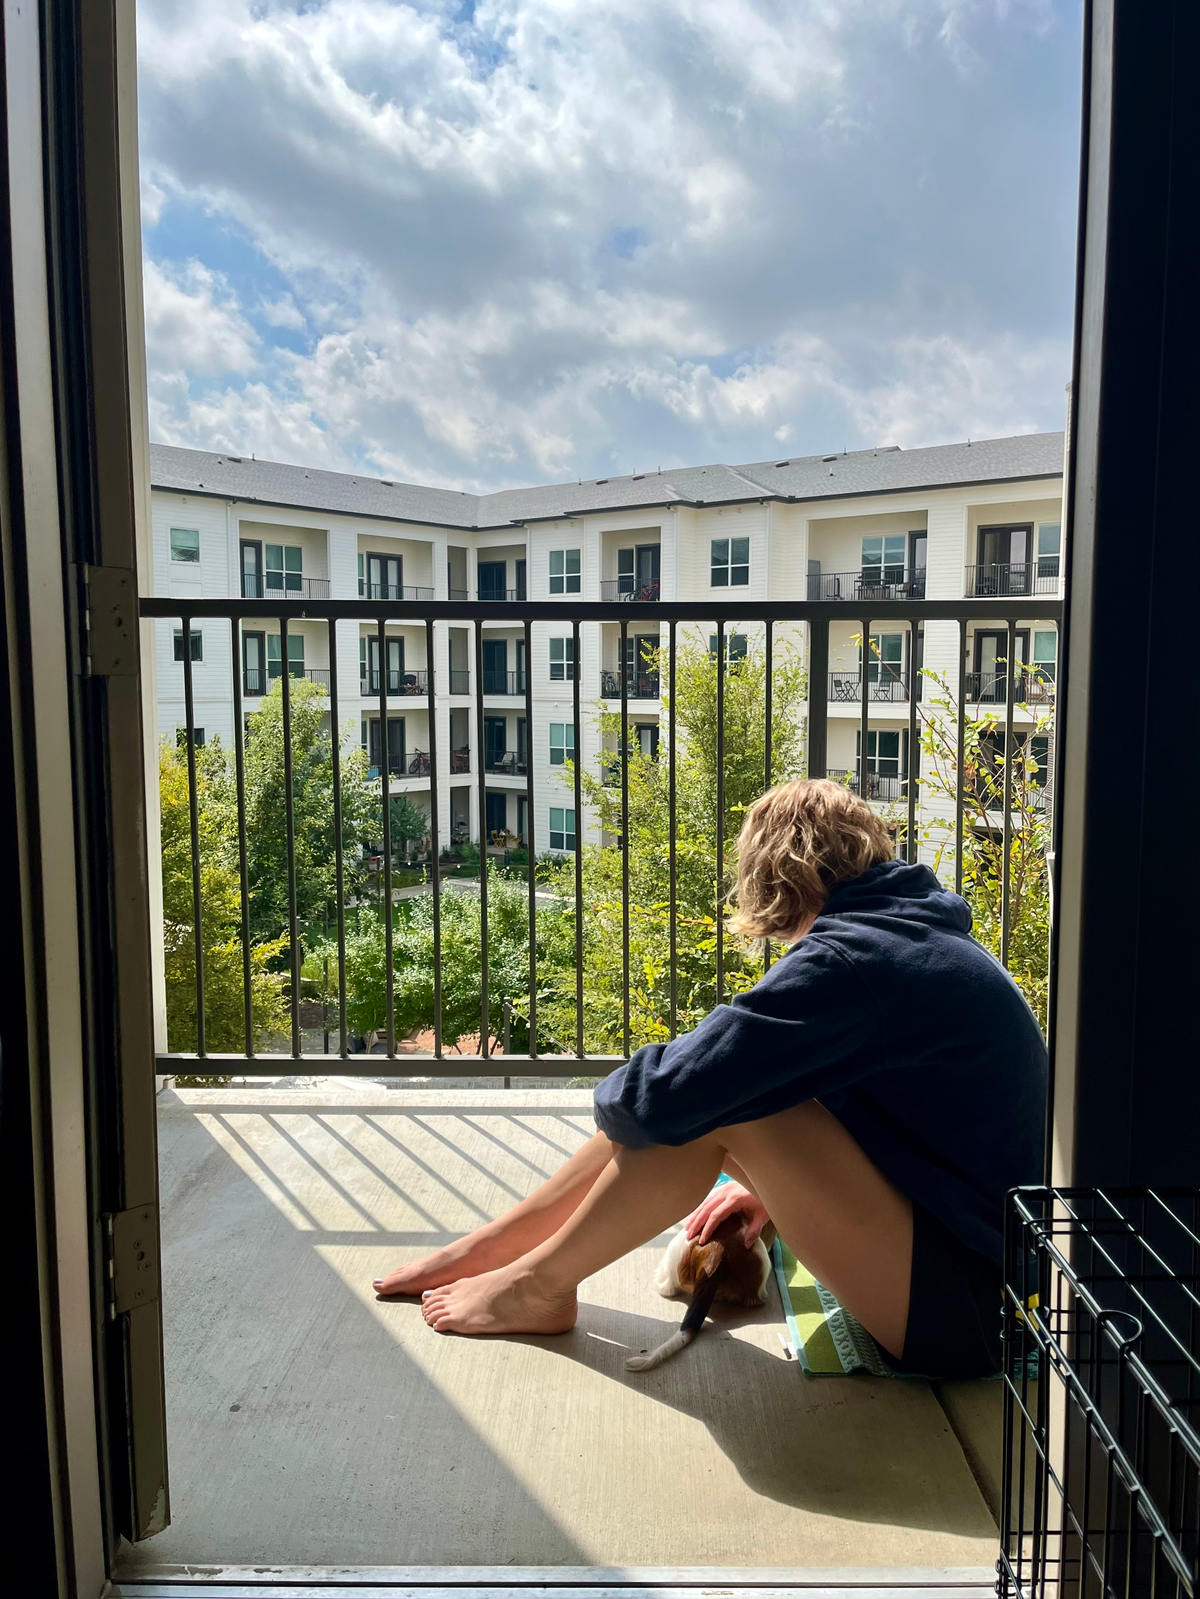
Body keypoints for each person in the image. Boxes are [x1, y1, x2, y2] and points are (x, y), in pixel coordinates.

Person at [374, 779, 1047, 1379]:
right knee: (727, 1094)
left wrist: (617, 1094)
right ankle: (492, 1252)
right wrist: (770, 1191)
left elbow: (668, 1093)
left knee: (727, 1102)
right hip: (987, 1281)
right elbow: (905, 1124)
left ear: (785, 877)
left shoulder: (854, 959)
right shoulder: (910, 931)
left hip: (969, 1315)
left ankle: (535, 1281)